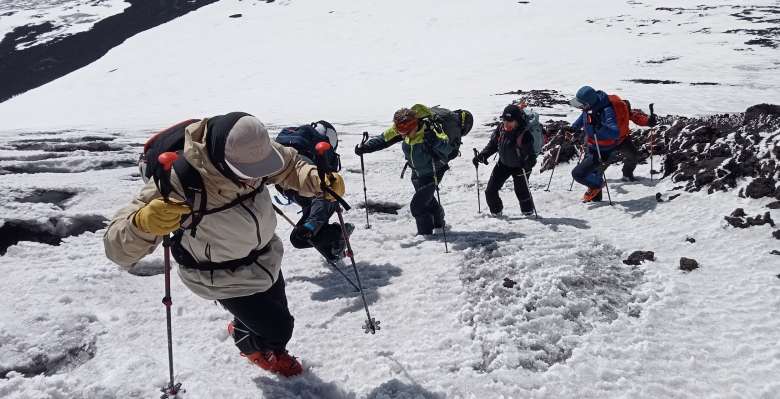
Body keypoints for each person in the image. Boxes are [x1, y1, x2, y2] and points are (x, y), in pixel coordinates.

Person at [103, 112, 344, 377]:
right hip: (218, 274)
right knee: (279, 328)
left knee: (279, 314)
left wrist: (316, 180)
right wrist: (143, 223)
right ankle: (252, 346)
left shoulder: (255, 150)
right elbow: (116, 248)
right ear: (221, 160)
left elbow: (289, 165)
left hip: (266, 257)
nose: (256, 180)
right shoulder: (181, 179)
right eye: (247, 174)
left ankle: (256, 334)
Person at [354, 104, 452, 236]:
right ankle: (439, 225)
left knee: (418, 206)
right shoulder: (402, 127)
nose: (403, 135)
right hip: (416, 172)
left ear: (414, 125)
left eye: (405, 132)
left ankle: (426, 236)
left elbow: (447, 148)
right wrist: (365, 148)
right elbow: (383, 139)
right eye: (400, 131)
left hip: (433, 171)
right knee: (427, 200)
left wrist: (434, 141)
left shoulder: (431, 131)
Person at [274, 120, 353, 261]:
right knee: (308, 233)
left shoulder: (288, 154)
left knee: (302, 237)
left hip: (315, 199)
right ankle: (334, 243)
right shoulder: (308, 158)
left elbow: (321, 195)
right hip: (311, 198)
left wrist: (311, 225)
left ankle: (338, 235)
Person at [473, 104, 537, 216]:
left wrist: (526, 163)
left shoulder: (525, 134)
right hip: (503, 163)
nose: (506, 123)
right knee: (490, 191)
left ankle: (528, 213)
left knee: (521, 191)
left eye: (510, 121)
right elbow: (493, 145)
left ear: (517, 121)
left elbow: (532, 158)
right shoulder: (501, 128)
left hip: (520, 167)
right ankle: (496, 212)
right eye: (504, 120)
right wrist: (482, 155)